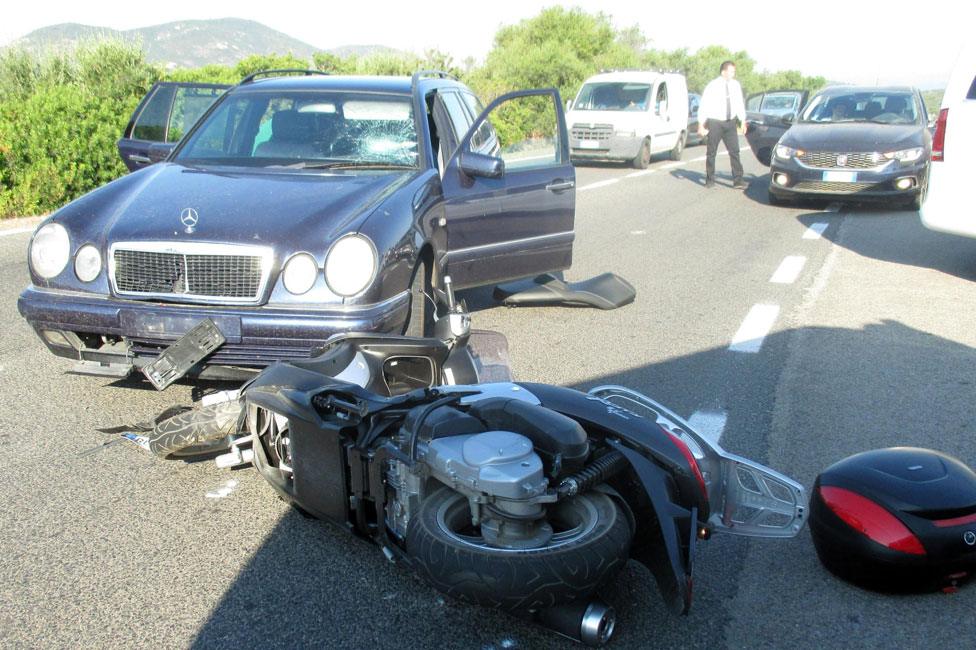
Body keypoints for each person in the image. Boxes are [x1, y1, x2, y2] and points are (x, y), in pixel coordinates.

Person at [697, 60, 747, 189]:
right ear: (723, 71)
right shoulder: (713, 85)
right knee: (711, 151)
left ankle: (738, 180)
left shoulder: (735, 85)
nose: (733, 74)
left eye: (734, 72)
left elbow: (739, 104)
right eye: (731, 71)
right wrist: (701, 123)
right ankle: (710, 179)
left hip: (730, 122)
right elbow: (704, 104)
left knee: (735, 151)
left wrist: (742, 121)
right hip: (715, 122)